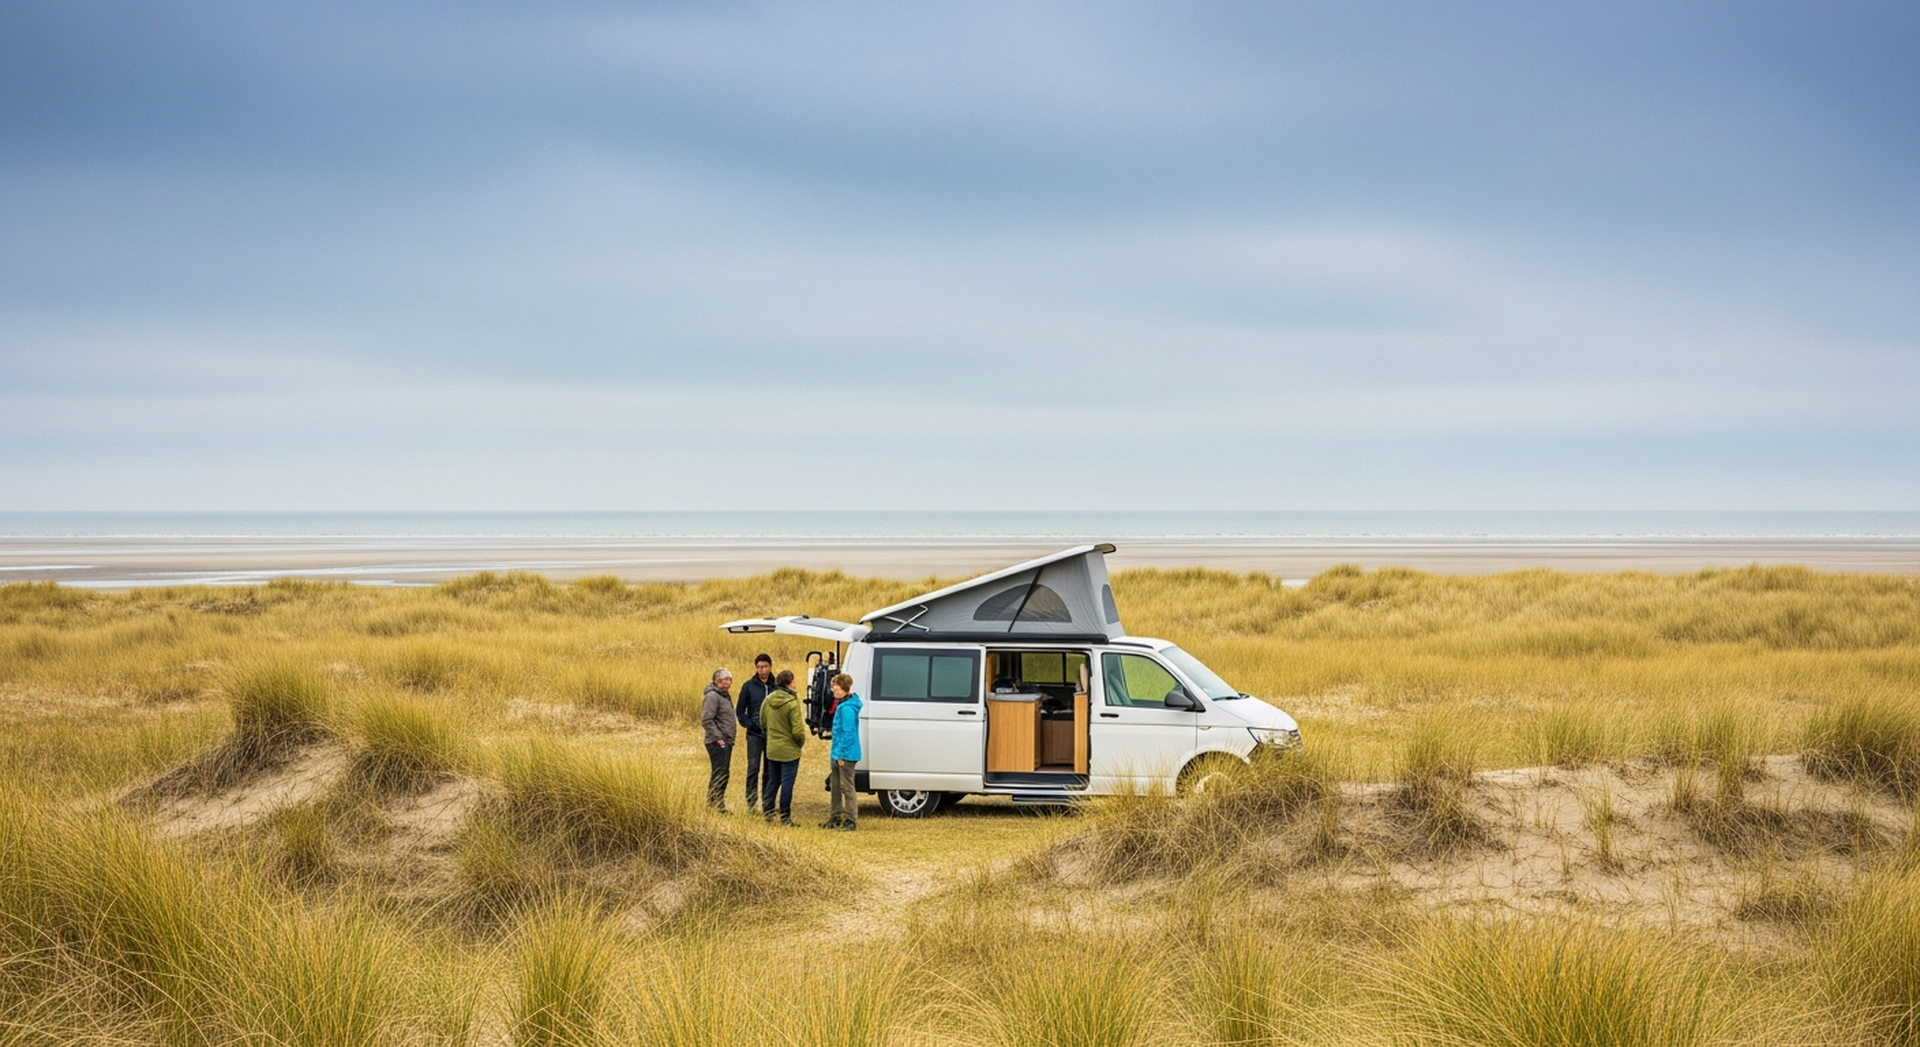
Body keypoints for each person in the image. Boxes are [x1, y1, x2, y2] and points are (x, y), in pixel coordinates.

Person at [759, 669, 806, 825]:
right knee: (787, 784)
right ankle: (785, 817)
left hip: (772, 748)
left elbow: (762, 721)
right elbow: (797, 730)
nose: (795, 684)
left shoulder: (768, 700)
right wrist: (799, 743)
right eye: (793, 681)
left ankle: (768, 812)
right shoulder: (792, 703)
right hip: (789, 750)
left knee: (773, 780)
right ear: (789, 684)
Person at [735, 654, 776, 813]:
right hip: (754, 735)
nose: (762, 670)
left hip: (772, 735)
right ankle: (751, 804)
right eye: (759, 667)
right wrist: (749, 724)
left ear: (770, 667)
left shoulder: (776, 686)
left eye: (764, 667)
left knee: (769, 770)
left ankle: (767, 804)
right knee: (753, 768)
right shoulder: (748, 686)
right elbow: (740, 710)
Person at [823, 673, 862, 830]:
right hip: (838, 752)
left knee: (847, 787)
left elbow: (848, 734)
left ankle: (851, 819)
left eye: (836, 687)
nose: (833, 689)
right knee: (835, 786)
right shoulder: (842, 705)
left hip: (845, 754)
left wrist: (841, 755)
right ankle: (835, 816)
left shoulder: (847, 709)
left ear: (844, 688)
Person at [700, 668, 737, 811]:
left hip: (726, 741)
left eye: (730, 679)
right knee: (719, 773)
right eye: (725, 679)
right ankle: (714, 804)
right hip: (717, 742)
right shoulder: (712, 696)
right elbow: (706, 719)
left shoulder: (724, 695)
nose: (728, 682)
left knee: (723, 773)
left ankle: (718, 803)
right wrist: (718, 737)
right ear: (717, 681)